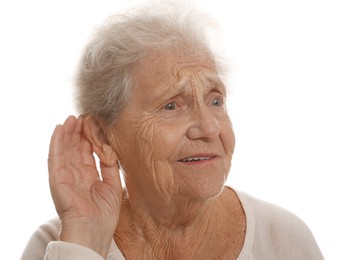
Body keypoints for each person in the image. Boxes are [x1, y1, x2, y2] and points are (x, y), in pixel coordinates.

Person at [21, 4, 324, 260]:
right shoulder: (59, 246)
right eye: (171, 106)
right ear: (103, 137)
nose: (209, 128)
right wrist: (84, 239)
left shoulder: (285, 240)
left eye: (215, 100)